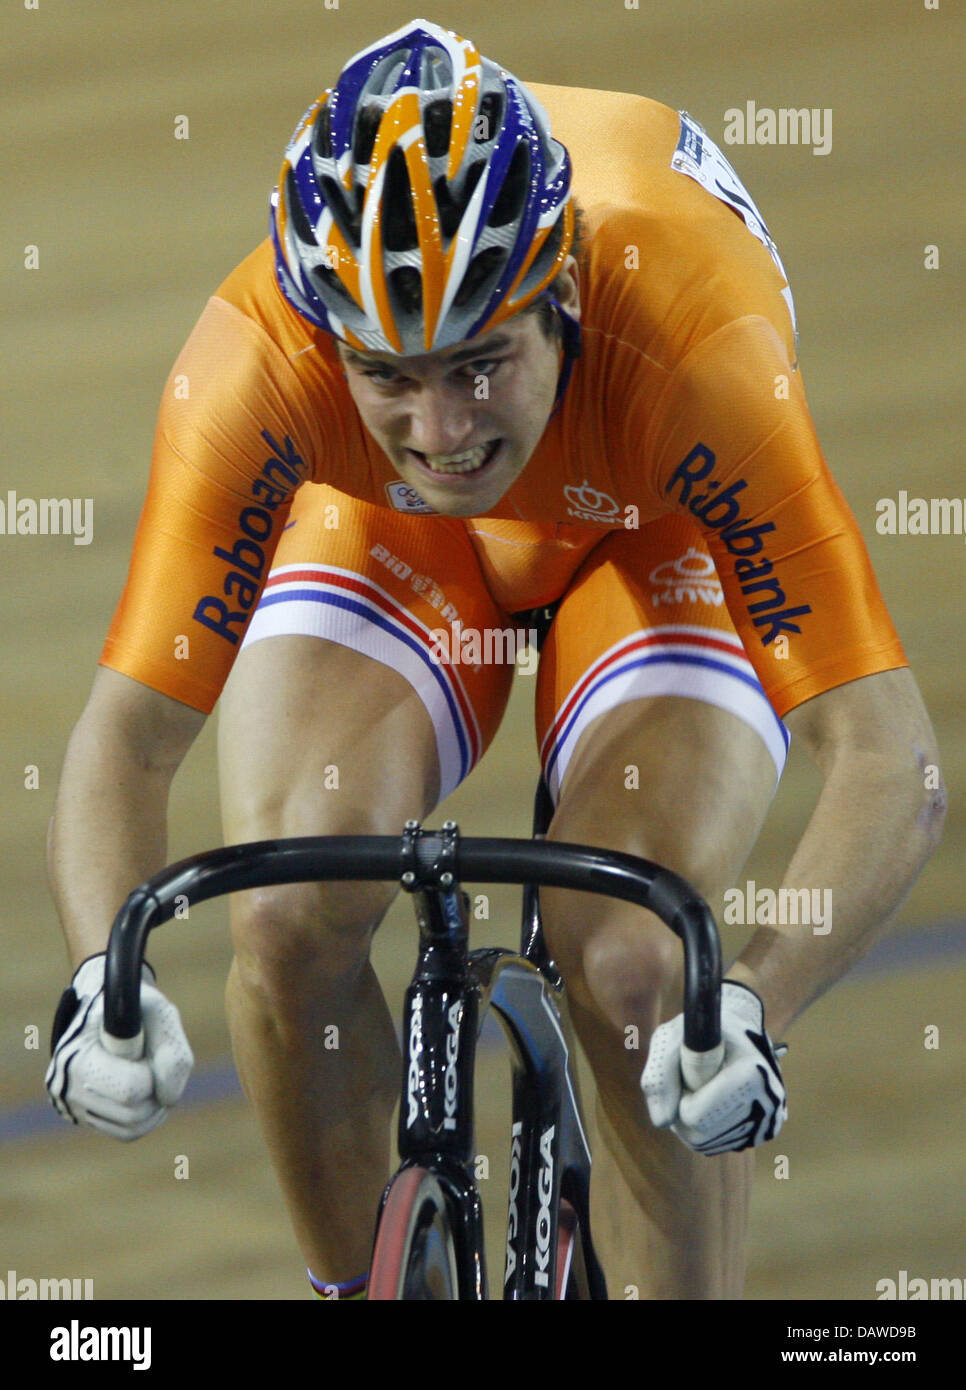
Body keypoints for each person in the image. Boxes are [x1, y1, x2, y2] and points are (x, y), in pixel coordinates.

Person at [45, 17, 945, 1300]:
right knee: (290, 919)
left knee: (637, 961)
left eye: (481, 362)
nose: (441, 431)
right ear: (325, 340)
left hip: (650, 527)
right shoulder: (255, 366)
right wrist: (98, 980)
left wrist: (755, 997)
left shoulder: (698, 346)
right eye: (388, 378)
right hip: (396, 546)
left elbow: (890, 759)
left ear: (563, 295)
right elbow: (127, 738)